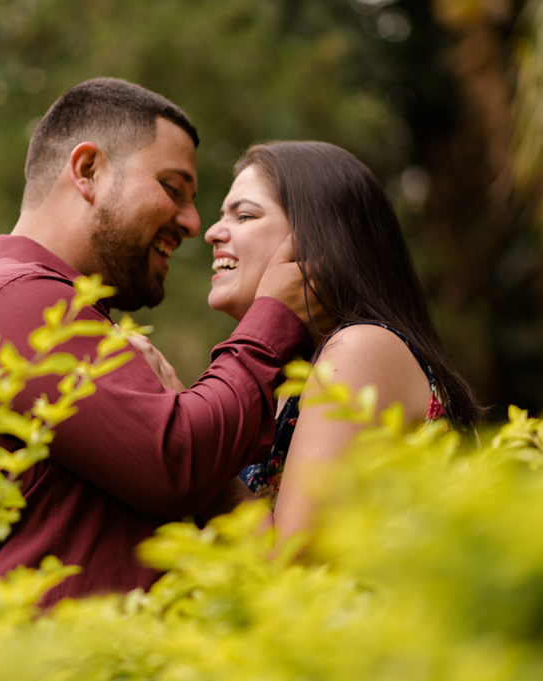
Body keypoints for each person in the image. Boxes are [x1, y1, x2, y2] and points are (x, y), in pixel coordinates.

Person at [0, 79, 321, 603]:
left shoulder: (29, 305)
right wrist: (274, 319)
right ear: (88, 171)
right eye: (174, 189)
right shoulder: (18, 301)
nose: (194, 223)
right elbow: (176, 459)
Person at [201, 140, 484, 541]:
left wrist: (197, 453)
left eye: (244, 215)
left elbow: (292, 561)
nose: (212, 232)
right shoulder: (294, 378)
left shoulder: (361, 348)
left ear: (314, 242)